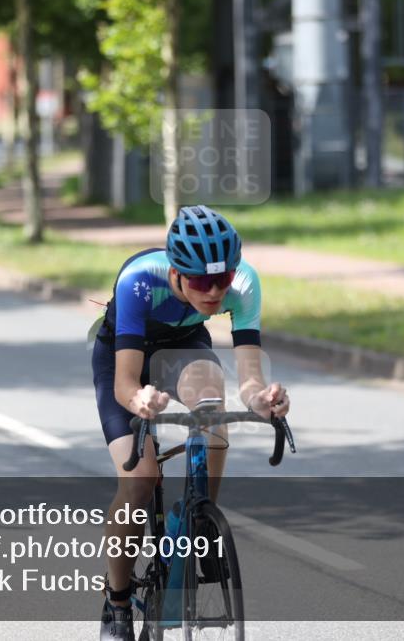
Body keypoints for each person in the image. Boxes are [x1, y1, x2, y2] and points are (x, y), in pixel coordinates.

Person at [92, 205, 290, 641]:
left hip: (184, 347)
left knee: (213, 414)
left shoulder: (242, 284)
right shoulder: (140, 280)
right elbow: (126, 382)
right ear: (178, 273)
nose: (216, 291)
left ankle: (202, 524)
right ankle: (118, 601)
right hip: (124, 357)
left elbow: (250, 380)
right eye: (202, 281)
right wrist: (141, 396)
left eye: (223, 278)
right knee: (140, 482)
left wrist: (265, 398)